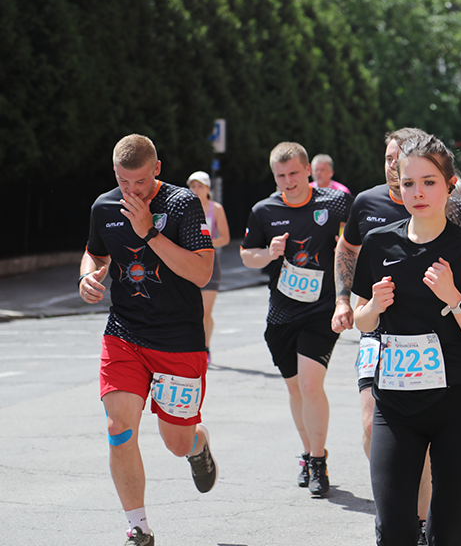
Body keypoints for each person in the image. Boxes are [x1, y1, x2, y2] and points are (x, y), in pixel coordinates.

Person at [351, 132, 461, 546]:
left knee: (447, 530)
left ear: (450, 184)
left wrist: (455, 298)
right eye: (408, 183)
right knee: (393, 529)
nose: (417, 192)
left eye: (429, 182)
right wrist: (373, 309)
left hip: (459, 406)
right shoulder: (379, 243)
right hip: (395, 406)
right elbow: (362, 323)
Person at [78, 134, 218, 546]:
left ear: (156, 170)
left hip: (178, 339)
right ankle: (138, 527)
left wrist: (149, 232)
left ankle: (196, 443)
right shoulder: (104, 207)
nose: (131, 191)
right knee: (118, 426)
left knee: (175, 443)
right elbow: (96, 253)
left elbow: (202, 272)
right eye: (123, 181)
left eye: (139, 182)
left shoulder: (182, 205)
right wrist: (89, 274)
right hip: (125, 332)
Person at [240, 142, 353, 496]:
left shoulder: (334, 203)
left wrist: (347, 292)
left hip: (321, 311)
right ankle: (308, 452)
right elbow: (247, 256)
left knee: (309, 385)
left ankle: (318, 462)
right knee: (294, 389)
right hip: (282, 314)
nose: (288, 182)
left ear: (309, 171)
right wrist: (267, 253)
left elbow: (355, 242)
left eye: (293, 173)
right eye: (280, 176)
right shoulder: (263, 211)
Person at [187, 171, 230, 361]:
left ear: (208, 189)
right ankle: (191, 348)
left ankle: (205, 348)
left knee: (205, 311)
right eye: (193, 186)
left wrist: (206, 243)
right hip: (187, 263)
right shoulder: (183, 207)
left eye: (200, 186)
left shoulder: (216, 209)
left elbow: (225, 238)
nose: (196, 190)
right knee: (190, 310)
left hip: (210, 264)